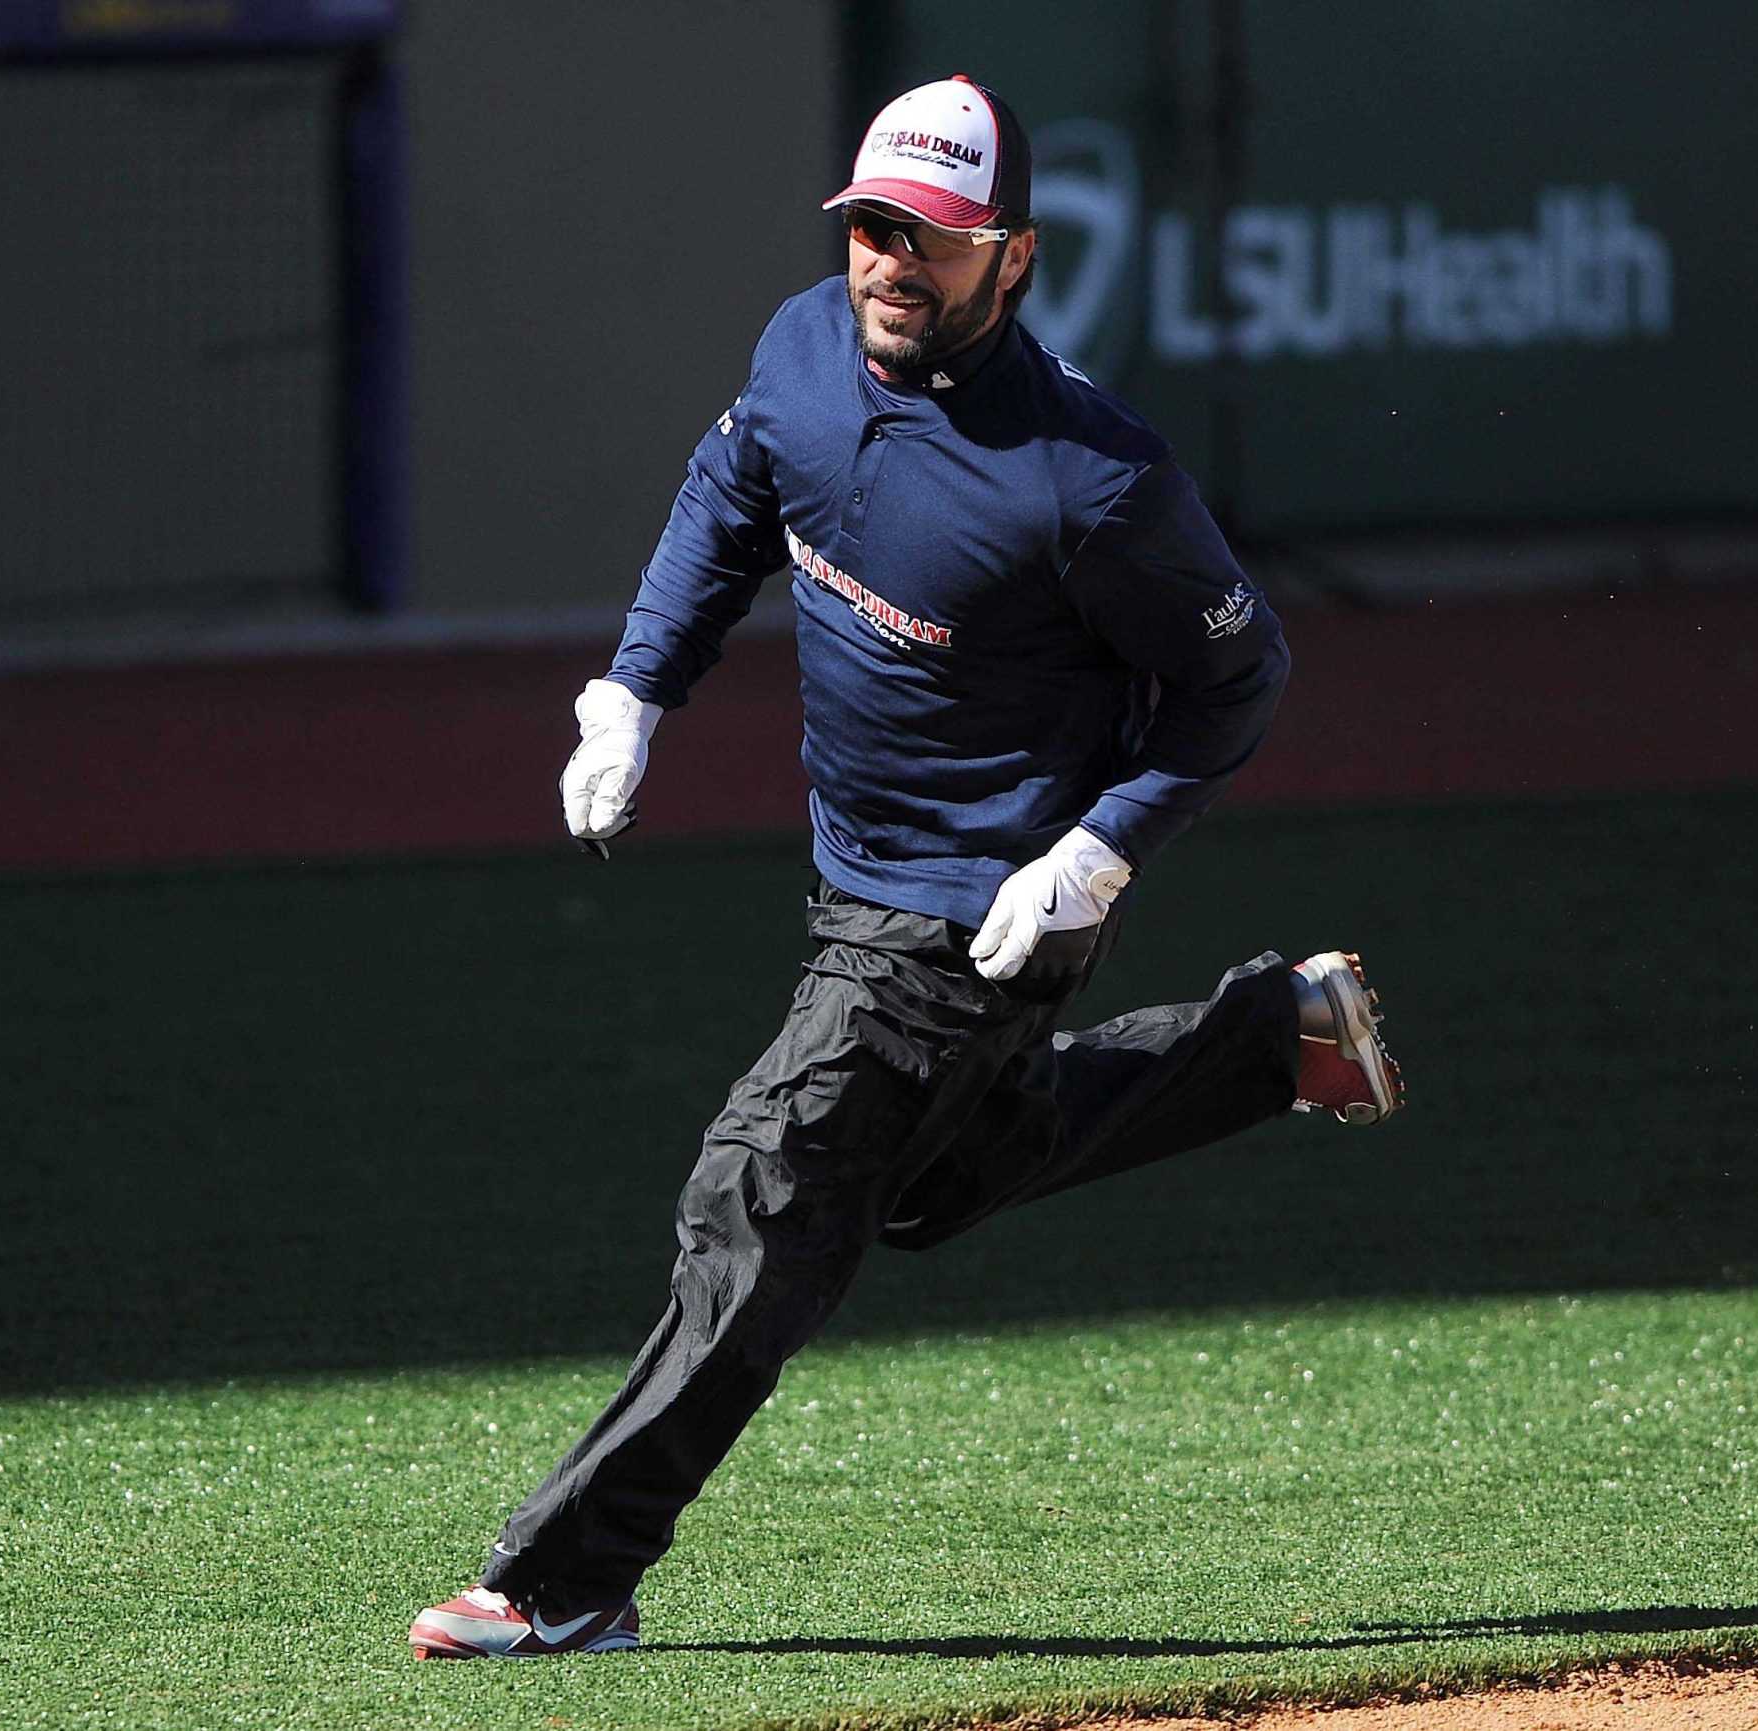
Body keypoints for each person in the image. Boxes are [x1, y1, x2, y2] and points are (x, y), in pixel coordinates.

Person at [409, 75, 1402, 1661]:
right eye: (872, 227)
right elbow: (732, 492)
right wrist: (635, 688)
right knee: (937, 1182)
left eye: (932, 239)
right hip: (853, 868)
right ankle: (1271, 1040)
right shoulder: (804, 347)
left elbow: (1242, 678)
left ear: (1012, 256)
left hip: (982, 900)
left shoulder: (1095, 479)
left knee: (767, 1187)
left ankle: (565, 1578)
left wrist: (1099, 849)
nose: (890, 264)